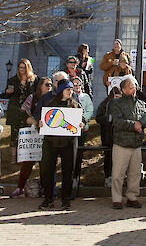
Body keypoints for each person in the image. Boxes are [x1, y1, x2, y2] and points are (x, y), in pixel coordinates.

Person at [38, 79, 84, 210]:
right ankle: (48, 198)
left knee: (68, 171)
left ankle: (66, 199)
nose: (70, 92)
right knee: (48, 170)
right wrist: (40, 123)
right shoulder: (50, 104)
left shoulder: (75, 105)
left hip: (68, 142)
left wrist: (81, 124)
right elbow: (43, 119)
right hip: (51, 141)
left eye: (71, 89)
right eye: (68, 89)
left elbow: (82, 119)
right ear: (61, 90)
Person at [111, 77, 146, 209]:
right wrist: (134, 125)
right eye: (130, 87)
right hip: (121, 143)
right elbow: (117, 121)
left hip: (136, 143)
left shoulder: (140, 103)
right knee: (118, 174)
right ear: (123, 89)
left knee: (135, 173)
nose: (134, 89)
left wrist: (141, 123)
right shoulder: (116, 103)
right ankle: (116, 199)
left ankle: (132, 197)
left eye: (135, 87)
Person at [9, 76, 52, 198]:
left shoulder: (53, 99)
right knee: (28, 162)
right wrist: (32, 120)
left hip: (46, 135)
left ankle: (45, 189)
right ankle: (20, 188)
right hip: (32, 134)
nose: (49, 87)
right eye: (47, 85)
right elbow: (23, 113)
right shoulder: (32, 98)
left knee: (45, 163)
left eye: (50, 85)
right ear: (40, 86)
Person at [4, 58, 36, 161]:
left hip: (28, 111)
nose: (22, 70)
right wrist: (8, 92)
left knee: (27, 134)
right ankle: (13, 158)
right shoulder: (13, 80)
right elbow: (6, 95)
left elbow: (34, 93)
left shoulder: (33, 80)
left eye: (24, 68)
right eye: (20, 68)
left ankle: (25, 157)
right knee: (14, 134)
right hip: (15, 110)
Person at [95, 86, 122, 189]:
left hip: (119, 136)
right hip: (107, 136)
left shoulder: (122, 105)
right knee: (108, 157)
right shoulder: (104, 104)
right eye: (115, 96)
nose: (117, 99)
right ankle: (108, 177)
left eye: (119, 97)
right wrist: (108, 118)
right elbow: (98, 118)